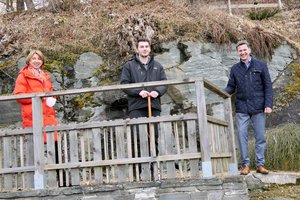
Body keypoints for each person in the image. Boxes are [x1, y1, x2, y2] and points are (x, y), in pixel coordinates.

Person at [225, 40, 273, 175]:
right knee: (241, 135)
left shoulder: (261, 66)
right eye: (240, 51)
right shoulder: (235, 68)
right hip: (242, 107)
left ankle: (260, 164)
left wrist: (268, 104)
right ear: (237, 53)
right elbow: (231, 87)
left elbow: (268, 86)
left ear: (249, 50)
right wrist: (222, 93)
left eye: (244, 50)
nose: (243, 52)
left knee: (260, 136)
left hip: (259, 107)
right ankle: (245, 165)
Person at [14, 50, 58, 143]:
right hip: (33, 116)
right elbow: (18, 96)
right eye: (34, 59)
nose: (37, 61)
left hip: (48, 115)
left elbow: (50, 92)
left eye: (39, 59)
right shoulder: (23, 76)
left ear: (42, 61)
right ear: (29, 60)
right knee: (36, 146)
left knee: (53, 145)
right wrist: (37, 98)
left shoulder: (45, 76)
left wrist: (52, 98)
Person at [120, 38, 167, 118]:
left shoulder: (158, 66)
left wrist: (157, 92)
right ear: (137, 49)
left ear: (150, 49)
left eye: (146, 46)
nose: (144, 49)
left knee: (155, 130)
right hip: (136, 106)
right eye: (141, 47)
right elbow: (124, 84)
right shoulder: (129, 66)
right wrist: (139, 92)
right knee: (139, 130)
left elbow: (164, 83)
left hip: (154, 105)